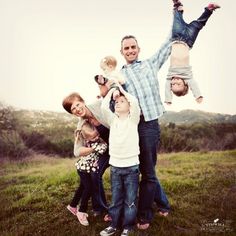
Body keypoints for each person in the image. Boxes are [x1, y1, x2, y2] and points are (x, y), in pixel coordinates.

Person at [116, 4, 174, 230]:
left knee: (148, 172)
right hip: (130, 128)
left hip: (149, 126)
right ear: (121, 52)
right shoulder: (119, 76)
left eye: (133, 47)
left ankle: (145, 214)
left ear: (138, 49)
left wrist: (176, 14)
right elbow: (111, 97)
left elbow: (168, 44)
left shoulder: (150, 64)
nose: (130, 50)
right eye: (126, 48)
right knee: (136, 170)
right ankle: (163, 204)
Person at [62, 92, 110, 222]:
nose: (77, 109)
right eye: (73, 109)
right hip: (104, 151)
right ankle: (101, 208)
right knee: (94, 173)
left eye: (77, 104)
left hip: (119, 146)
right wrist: (93, 148)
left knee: (144, 169)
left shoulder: (99, 106)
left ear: (83, 101)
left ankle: (78, 205)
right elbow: (77, 151)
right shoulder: (81, 125)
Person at [100, 86, 140, 236]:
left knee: (130, 199)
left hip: (131, 167)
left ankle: (128, 226)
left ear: (129, 107)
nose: (118, 103)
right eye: (116, 102)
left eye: (122, 101)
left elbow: (134, 101)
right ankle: (114, 224)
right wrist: (113, 91)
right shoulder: (112, 120)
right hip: (116, 166)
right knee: (116, 199)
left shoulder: (133, 119)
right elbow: (104, 106)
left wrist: (121, 89)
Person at [165, 1, 220, 105]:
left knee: (177, 19)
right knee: (198, 24)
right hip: (188, 40)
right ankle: (209, 9)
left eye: (173, 86)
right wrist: (198, 96)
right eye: (178, 85)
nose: (175, 83)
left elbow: (166, 88)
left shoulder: (170, 76)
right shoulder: (187, 76)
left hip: (176, 38)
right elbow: (194, 85)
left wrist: (168, 99)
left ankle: (177, 7)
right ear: (185, 84)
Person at [66, 121, 108, 226]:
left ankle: (72, 205)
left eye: (97, 135)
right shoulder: (95, 145)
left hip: (86, 169)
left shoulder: (94, 141)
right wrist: (99, 145)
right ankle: (82, 211)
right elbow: (104, 148)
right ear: (86, 139)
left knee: (82, 187)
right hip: (83, 170)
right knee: (89, 188)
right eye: (93, 138)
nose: (96, 138)